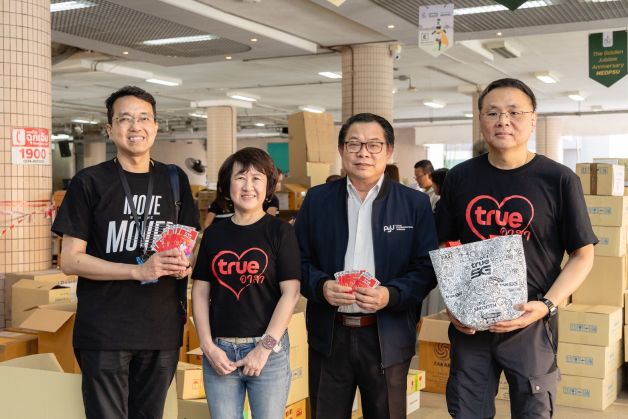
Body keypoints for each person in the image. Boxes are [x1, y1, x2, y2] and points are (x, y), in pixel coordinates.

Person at [435, 78, 597, 419]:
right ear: (481, 119)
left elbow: (583, 255)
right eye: (492, 112)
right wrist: (453, 303)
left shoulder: (558, 179)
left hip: (531, 321)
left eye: (514, 112)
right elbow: (444, 243)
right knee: (467, 410)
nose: (503, 121)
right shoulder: (460, 178)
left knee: (533, 411)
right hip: (472, 325)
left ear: (533, 119)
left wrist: (547, 305)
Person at [52, 86, 200, 419]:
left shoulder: (175, 179)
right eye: (125, 119)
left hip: (161, 328)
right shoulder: (89, 182)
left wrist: (183, 264)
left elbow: (189, 245)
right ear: (110, 129)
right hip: (105, 330)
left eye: (144, 118)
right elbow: (69, 260)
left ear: (156, 126)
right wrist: (137, 271)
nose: (136, 126)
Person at [295, 113, 437, 419]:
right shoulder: (317, 200)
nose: (363, 153)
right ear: (341, 149)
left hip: (387, 335)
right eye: (354, 144)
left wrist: (391, 294)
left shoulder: (413, 204)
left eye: (374, 145)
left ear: (389, 151)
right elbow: (297, 260)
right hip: (329, 335)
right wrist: (320, 286)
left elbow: (426, 268)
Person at [191, 147, 301, 419]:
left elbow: (291, 293)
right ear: (227, 186)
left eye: (257, 178)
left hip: (268, 352)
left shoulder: (280, 231)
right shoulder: (214, 235)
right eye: (240, 177)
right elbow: (200, 292)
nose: (248, 186)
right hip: (220, 352)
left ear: (268, 187)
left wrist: (264, 349)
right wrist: (207, 346)